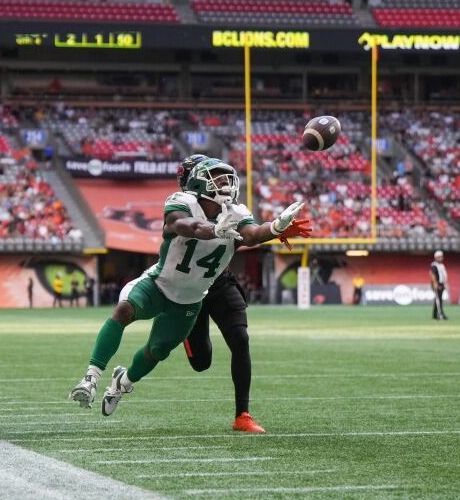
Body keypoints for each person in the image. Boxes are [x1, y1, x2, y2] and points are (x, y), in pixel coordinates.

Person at [69, 158, 311, 419]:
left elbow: (252, 234)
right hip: (158, 285)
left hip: (190, 300)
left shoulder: (237, 213)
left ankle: (123, 382)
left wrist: (275, 227)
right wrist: (215, 229)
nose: (225, 183)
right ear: (198, 181)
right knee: (124, 311)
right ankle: (90, 379)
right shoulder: (183, 203)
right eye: (217, 178)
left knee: (157, 351)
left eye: (227, 177)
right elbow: (184, 225)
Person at [430, 250, 448, 320]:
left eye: (441, 257)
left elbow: (444, 275)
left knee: (438, 299)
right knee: (438, 300)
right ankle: (440, 314)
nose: (441, 258)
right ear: (436, 257)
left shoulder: (442, 265)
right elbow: (432, 275)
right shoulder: (434, 265)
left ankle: (434, 315)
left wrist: (445, 283)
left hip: (441, 283)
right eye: (439, 257)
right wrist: (435, 283)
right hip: (437, 284)